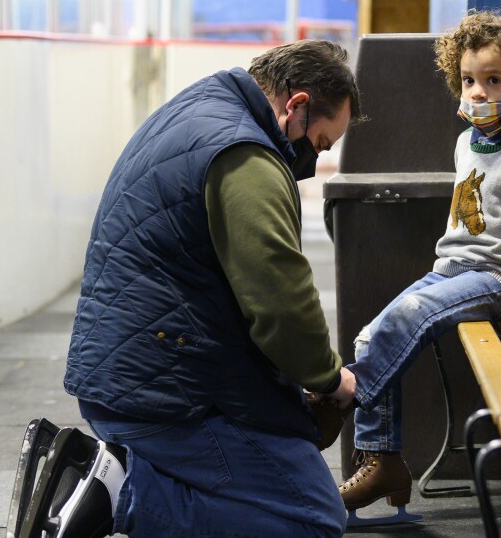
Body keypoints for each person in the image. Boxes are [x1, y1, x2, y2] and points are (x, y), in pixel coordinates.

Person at [22, 40, 361, 538]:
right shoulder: (246, 158)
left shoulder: (196, 107)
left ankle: (108, 474)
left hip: (124, 372)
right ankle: (119, 493)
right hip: (166, 395)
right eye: (320, 143)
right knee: (313, 519)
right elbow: (281, 302)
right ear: (297, 105)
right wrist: (330, 378)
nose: (312, 160)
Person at [337, 10, 501, 519]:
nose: (477, 92)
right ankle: (383, 461)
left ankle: (340, 402)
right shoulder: (466, 141)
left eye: (494, 80)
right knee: (366, 336)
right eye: (469, 80)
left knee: (401, 321)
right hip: (453, 270)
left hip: (500, 279)